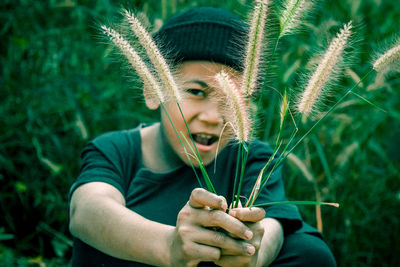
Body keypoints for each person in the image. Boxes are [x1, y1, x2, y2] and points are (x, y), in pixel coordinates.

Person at [68, 6, 336, 267]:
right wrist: (171, 247)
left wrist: (251, 253)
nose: (214, 117)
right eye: (196, 92)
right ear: (152, 90)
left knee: (306, 250)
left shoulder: (252, 157)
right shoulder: (117, 150)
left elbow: (272, 224)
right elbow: (87, 210)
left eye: (233, 99)